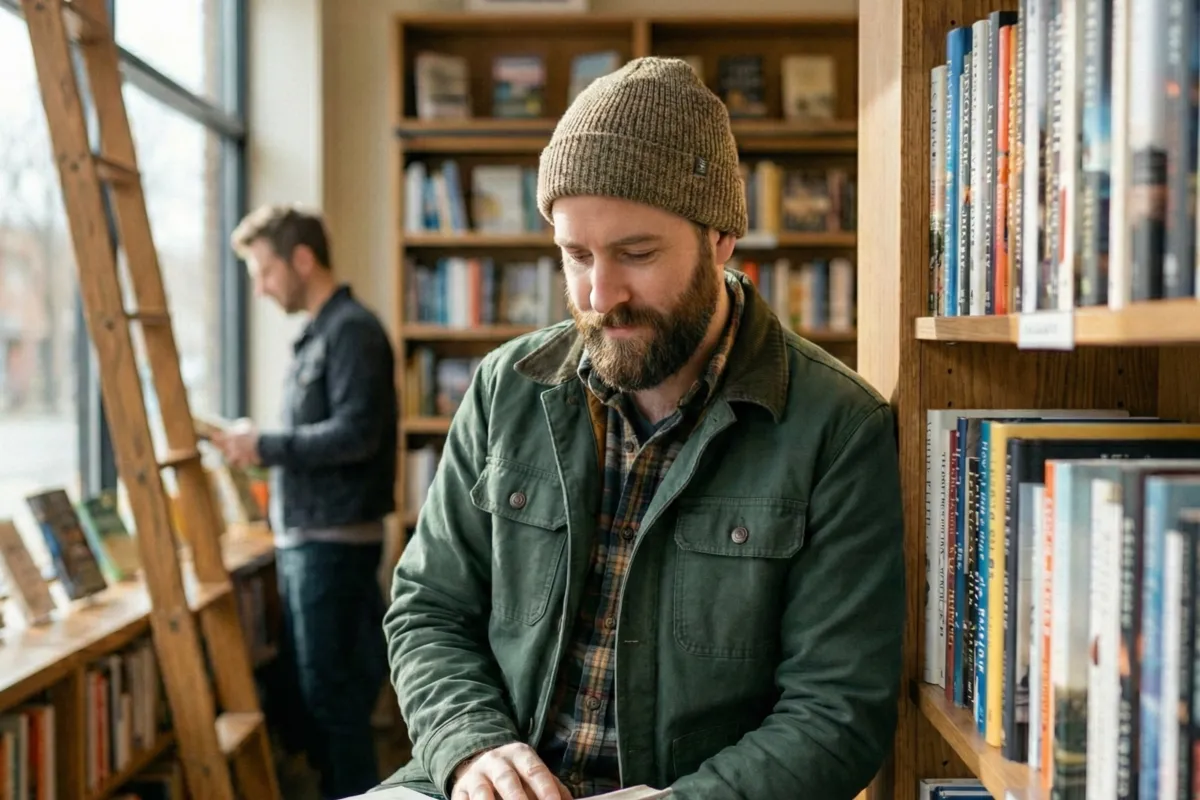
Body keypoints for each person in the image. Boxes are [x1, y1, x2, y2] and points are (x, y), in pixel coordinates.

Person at [376, 57, 904, 800]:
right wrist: (473, 750)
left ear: (721, 238)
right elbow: (428, 610)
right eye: (576, 255)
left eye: (636, 253)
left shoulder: (838, 427)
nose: (600, 294)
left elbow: (837, 712)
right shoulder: (505, 390)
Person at [216, 204, 397, 799]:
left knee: (335, 699)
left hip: (332, 545)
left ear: (302, 258)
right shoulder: (317, 335)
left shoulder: (351, 331)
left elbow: (355, 435)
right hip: (311, 541)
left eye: (264, 272)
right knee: (317, 696)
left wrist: (262, 444)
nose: (263, 289)